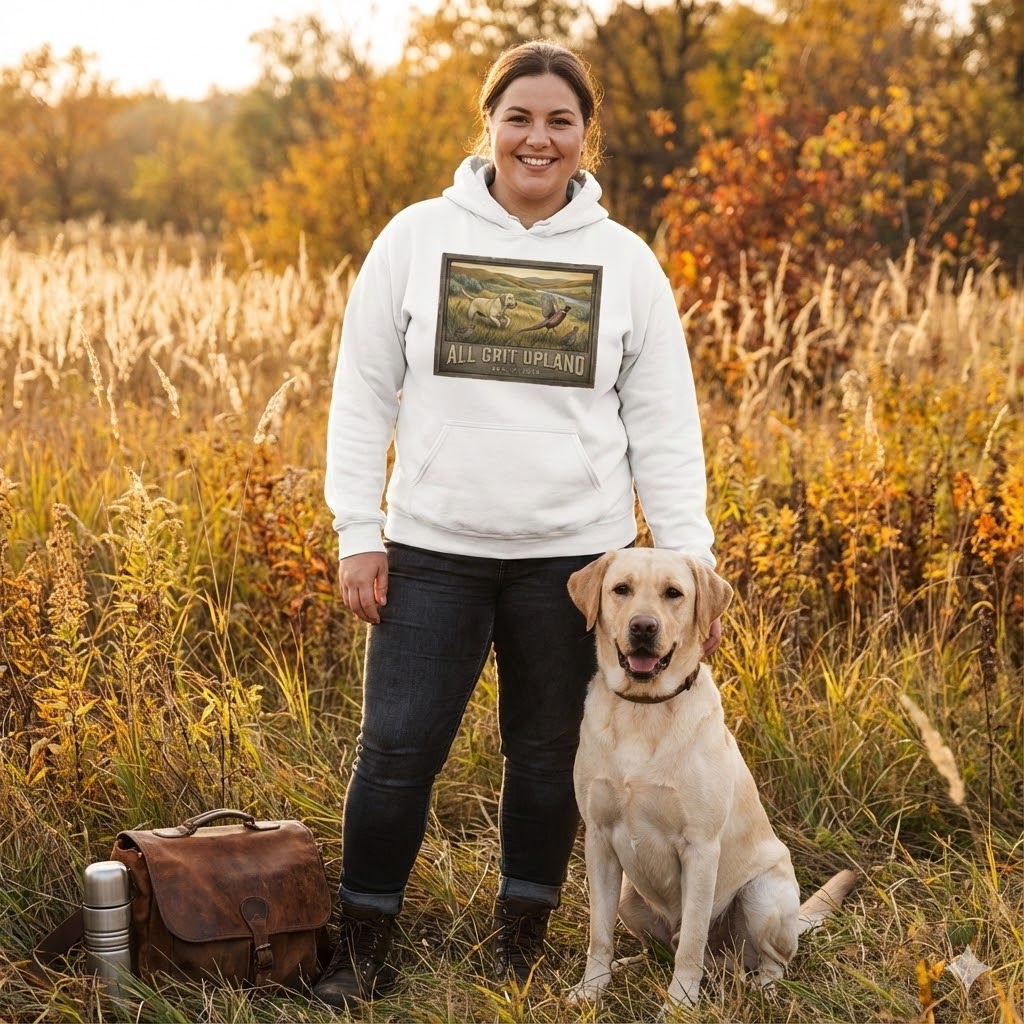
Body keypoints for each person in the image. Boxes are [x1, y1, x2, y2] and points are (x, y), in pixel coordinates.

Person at [315, 39, 721, 1010]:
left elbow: (663, 420)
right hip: (431, 551)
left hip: (572, 561)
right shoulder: (416, 238)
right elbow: (362, 392)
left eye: (560, 120)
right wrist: (356, 529)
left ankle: (521, 941)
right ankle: (361, 943)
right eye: (520, 117)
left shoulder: (623, 263)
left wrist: (691, 562)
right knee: (397, 748)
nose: (538, 138)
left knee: (544, 757)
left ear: (586, 137)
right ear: (488, 126)